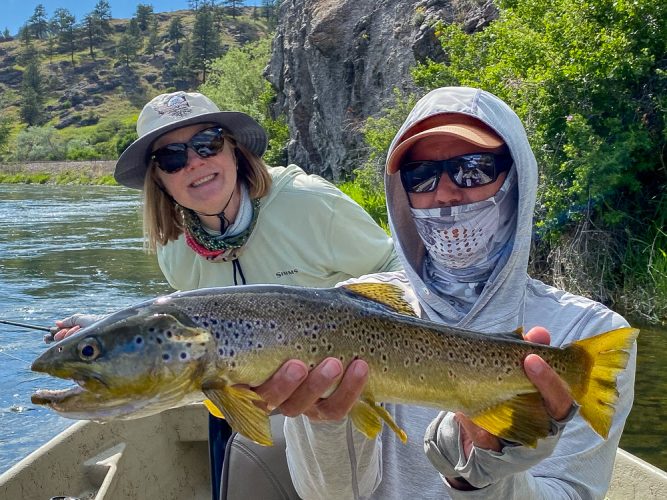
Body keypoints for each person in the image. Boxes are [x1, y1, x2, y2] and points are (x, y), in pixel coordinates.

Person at [250, 86, 637, 498]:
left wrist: (477, 473)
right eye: (421, 176)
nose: (446, 192)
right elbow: (332, 496)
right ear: (403, 194)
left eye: (473, 168)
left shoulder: (585, 333)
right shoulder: (350, 313)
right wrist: (326, 422)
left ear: (518, 177)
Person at [53, 91, 402, 499]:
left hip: (361, 384)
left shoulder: (309, 203)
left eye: (207, 143)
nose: (195, 162)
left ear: (233, 150)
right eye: (171, 157)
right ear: (159, 180)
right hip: (251, 398)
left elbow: (395, 271)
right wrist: (104, 332)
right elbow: (193, 328)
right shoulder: (174, 250)